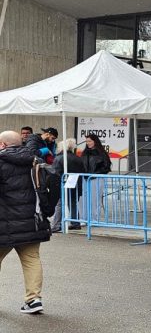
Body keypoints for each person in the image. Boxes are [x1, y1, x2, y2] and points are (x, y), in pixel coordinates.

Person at [0, 129, 52, 314]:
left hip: (4, 223)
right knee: (31, 260)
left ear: (3, 145)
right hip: (32, 221)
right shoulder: (35, 161)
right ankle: (34, 299)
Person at [50, 138, 86, 232]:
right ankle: (75, 222)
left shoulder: (59, 158)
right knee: (73, 203)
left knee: (59, 204)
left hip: (63, 183)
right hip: (76, 183)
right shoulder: (78, 158)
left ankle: (56, 225)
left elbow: (55, 172)